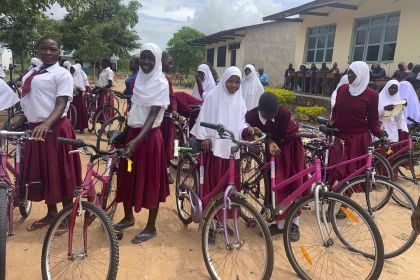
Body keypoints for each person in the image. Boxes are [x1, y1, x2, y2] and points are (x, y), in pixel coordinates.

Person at [20, 36, 82, 231]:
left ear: (59, 52)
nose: (48, 52)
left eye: (52, 49)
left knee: (60, 173)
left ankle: (67, 217)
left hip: (55, 129)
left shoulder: (62, 74)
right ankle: (51, 213)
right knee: (44, 173)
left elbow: (62, 102)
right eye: (43, 48)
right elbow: (32, 100)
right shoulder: (33, 71)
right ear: (38, 50)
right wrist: (22, 118)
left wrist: (46, 123)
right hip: (36, 129)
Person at [115, 43, 170, 244]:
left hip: (148, 140)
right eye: (143, 58)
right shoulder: (139, 80)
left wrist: (136, 141)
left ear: (157, 61)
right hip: (133, 136)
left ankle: (151, 226)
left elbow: (152, 116)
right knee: (127, 176)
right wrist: (126, 133)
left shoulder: (161, 84)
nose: (146, 62)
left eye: (150, 59)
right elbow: (135, 111)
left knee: (151, 181)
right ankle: (128, 217)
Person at [245, 92, 305, 240]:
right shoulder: (251, 116)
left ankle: (294, 223)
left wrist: (271, 142)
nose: (272, 116)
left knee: (294, 183)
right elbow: (256, 134)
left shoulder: (284, 114)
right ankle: (280, 224)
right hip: (272, 149)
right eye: (268, 114)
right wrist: (268, 143)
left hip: (290, 148)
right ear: (260, 110)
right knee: (277, 185)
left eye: (275, 113)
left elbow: (282, 138)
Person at [191, 66, 256, 201]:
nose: (234, 85)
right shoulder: (212, 97)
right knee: (215, 182)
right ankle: (213, 213)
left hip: (232, 148)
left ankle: (225, 213)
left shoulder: (240, 100)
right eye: (230, 81)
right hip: (214, 146)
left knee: (230, 182)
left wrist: (247, 130)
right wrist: (205, 137)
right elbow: (203, 118)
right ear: (224, 80)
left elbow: (242, 122)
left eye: (237, 82)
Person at [329, 61, 383, 186]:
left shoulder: (372, 95)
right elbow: (336, 110)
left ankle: (346, 203)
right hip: (340, 137)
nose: (349, 77)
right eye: (348, 73)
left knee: (351, 175)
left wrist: (381, 134)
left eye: (352, 74)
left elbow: (373, 121)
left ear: (362, 75)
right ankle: (332, 198)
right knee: (335, 170)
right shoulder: (342, 89)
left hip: (358, 140)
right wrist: (331, 124)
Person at [160, 52, 178, 184]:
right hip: (151, 118)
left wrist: (174, 111)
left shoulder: (168, 80)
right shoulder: (151, 77)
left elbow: (172, 98)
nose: (171, 65)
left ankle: (165, 172)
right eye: (169, 62)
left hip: (165, 119)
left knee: (166, 147)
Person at [69, 64, 89, 133]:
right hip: (71, 97)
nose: (71, 71)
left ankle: (82, 128)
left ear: (76, 71)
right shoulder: (69, 77)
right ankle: (73, 126)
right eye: (70, 69)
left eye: (72, 70)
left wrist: (78, 89)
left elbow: (82, 89)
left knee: (80, 112)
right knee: (72, 112)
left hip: (78, 98)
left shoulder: (79, 78)